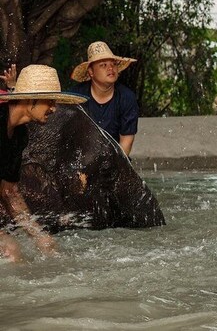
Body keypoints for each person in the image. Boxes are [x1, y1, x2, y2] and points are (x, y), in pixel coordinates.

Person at [0, 64, 87, 261]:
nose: (54, 108)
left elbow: (9, 192)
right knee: (10, 250)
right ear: (30, 99)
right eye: (49, 101)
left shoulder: (19, 135)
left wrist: (39, 236)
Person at [70, 41, 140, 156]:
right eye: (103, 65)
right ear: (91, 72)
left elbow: (126, 141)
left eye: (113, 64)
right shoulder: (75, 96)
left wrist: (117, 168)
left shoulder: (127, 97)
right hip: (79, 158)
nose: (110, 68)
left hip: (115, 159)